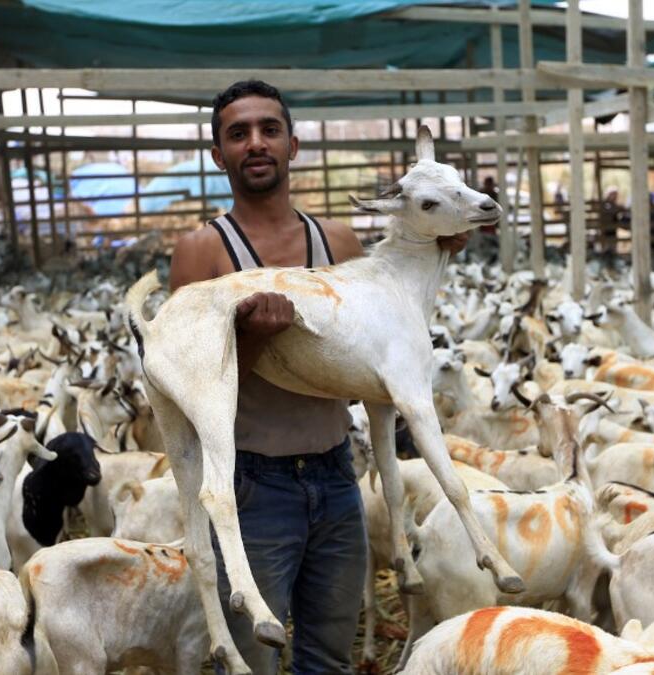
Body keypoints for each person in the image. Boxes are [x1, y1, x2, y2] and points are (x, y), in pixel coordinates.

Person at [169, 80, 470, 674]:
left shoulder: (335, 241)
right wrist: (254, 339)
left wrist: (438, 243)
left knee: (329, 658)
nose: (256, 143)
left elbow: (378, 346)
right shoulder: (201, 252)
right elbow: (189, 394)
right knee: (251, 659)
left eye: (269, 130)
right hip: (252, 488)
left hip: (336, 477)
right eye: (238, 133)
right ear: (218, 155)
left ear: (293, 145)